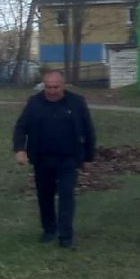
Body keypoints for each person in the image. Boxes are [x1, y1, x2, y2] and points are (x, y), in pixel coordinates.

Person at [12, 70, 96, 249]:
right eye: (48, 87)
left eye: (55, 87)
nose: (51, 91)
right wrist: (20, 149)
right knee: (45, 196)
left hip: (69, 158)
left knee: (66, 195)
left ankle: (66, 236)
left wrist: (88, 157)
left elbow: (88, 130)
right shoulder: (34, 103)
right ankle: (49, 230)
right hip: (42, 157)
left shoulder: (76, 102)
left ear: (63, 85)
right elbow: (21, 127)